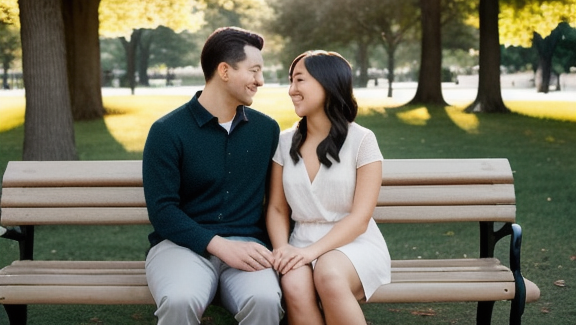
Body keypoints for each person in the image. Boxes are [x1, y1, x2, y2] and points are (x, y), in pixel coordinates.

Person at [143, 27, 283, 325]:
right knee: (179, 301)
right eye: (254, 70)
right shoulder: (167, 131)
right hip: (179, 247)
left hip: (249, 247)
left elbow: (280, 202)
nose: (260, 81)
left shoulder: (266, 130)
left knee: (266, 301)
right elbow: (163, 211)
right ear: (224, 70)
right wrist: (219, 245)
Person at [266, 51, 391, 325]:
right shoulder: (284, 142)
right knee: (295, 285)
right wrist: (282, 249)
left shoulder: (362, 140)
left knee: (329, 274)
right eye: (291, 81)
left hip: (355, 244)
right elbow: (276, 207)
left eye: (300, 80)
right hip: (299, 242)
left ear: (328, 83)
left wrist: (311, 254)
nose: (291, 90)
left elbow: (359, 220)